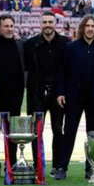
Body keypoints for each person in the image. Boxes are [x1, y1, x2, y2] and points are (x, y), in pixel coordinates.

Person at [55, 15, 94, 180]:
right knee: (69, 132)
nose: (89, 29)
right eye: (87, 26)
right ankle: (62, 167)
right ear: (82, 28)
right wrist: (60, 92)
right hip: (73, 98)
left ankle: (91, 169)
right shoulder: (70, 48)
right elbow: (62, 73)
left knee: (93, 136)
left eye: (92, 26)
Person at [24, 11, 70, 177]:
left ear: (55, 23)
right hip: (37, 94)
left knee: (58, 130)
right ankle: (38, 166)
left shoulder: (66, 43)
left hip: (58, 95)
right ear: (40, 23)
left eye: (50, 22)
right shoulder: (30, 44)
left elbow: (68, 71)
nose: (48, 25)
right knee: (36, 131)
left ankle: (57, 166)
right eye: (45, 22)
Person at [0, 14, 25, 177]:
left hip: (15, 97)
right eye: (6, 26)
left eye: (11, 26)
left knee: (13, 134)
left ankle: (12, 162)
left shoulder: (20, 44)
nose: (9, 29)